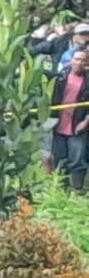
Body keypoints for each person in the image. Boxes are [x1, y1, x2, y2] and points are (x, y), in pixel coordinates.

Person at [52, 50, 89, 190]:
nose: (79, 62)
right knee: (59, 158)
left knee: (77, 159)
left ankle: (78, 190)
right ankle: (61, 190)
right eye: (77, 59)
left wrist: (85, 121)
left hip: (77, 125)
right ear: (71, 60)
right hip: (58, 124)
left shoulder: (88, 81)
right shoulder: (60, 77)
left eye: (83, 60)